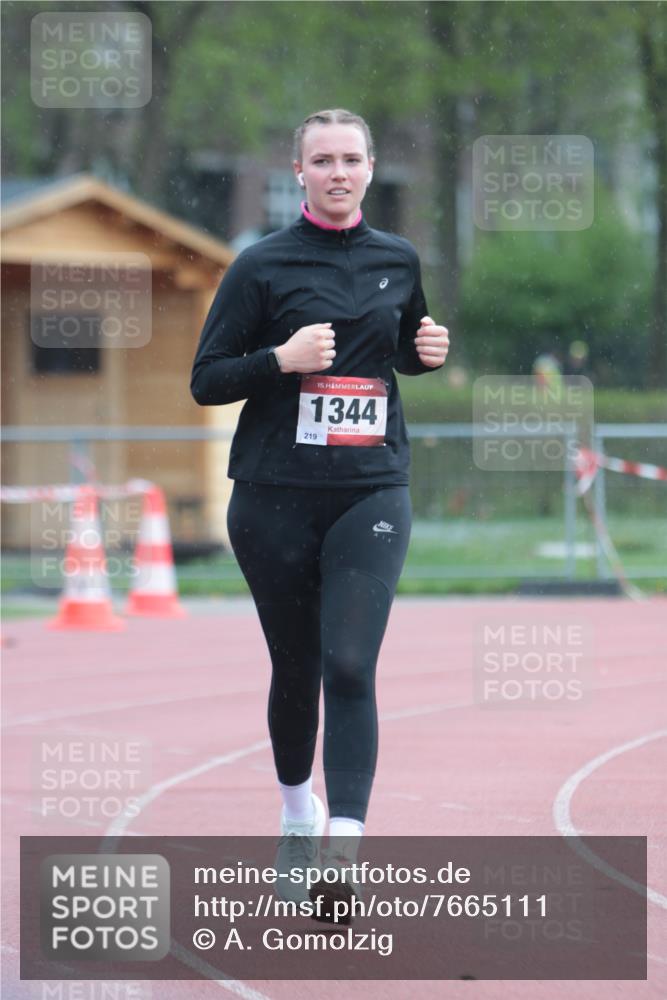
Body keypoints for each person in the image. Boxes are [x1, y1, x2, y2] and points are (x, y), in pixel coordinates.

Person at [190, 108, 449, 919]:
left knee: (349, 664)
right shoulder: (259, 266)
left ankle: (342, 852)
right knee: (297, 668)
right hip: (272, 496)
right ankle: (297, 811)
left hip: (371, 489)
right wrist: (280, 360)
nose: (338, 173)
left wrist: (423, 352)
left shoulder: (397, 258)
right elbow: (207, 379)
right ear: (298, 173)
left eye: (351, 159)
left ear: (370, 169)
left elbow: (396, 346)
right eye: (322, 160)